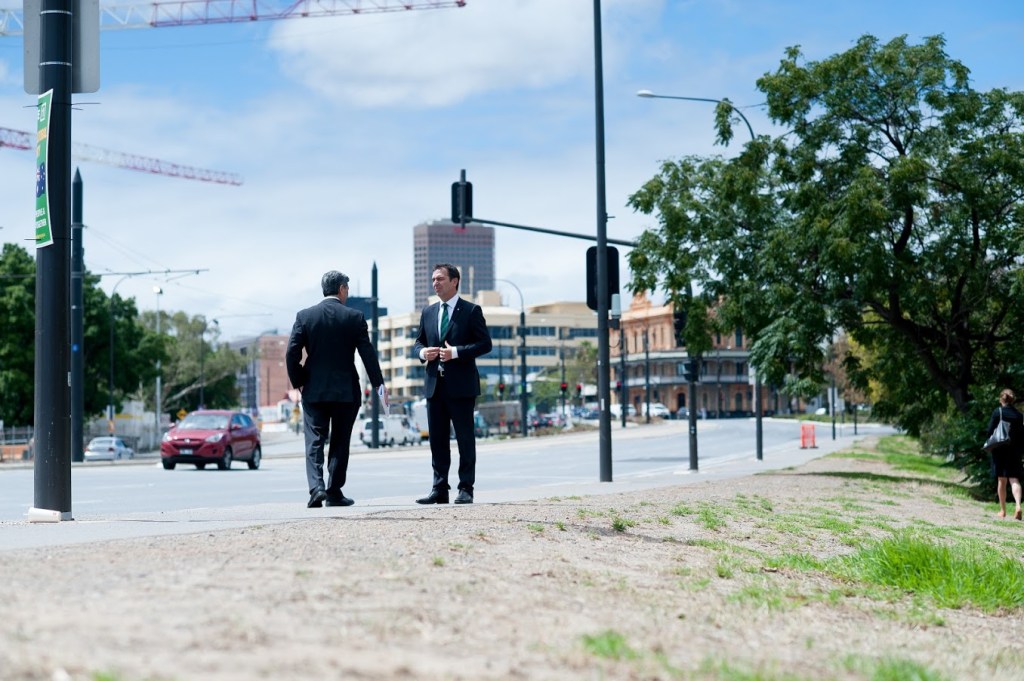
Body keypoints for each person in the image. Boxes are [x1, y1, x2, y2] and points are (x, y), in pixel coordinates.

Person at [286, 270, 386, 509]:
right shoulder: (354, 317)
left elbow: (291, 352)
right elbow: (367, 354)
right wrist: (379, 385)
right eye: (347, 290)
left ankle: (316, 488)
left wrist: (299, 380)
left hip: (314, 390)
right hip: (346, 391)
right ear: (341, 289)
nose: (347, 294)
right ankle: (334, 492)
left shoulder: (305, 316)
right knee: (341, 441)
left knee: (314, 440)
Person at [413, 263, 492, 504]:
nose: (435, 283)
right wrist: (423, 352)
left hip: (461, 387)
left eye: (440, 279)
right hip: (434, 386)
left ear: (454, 281)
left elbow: (485, 344)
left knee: (465, 439)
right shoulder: (428, 312)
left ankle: (466, 488)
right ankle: (439, 488)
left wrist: (456, 352)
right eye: (433, 279)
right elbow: (417, 343)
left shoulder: (471, 311)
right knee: (437, 440)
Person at [985, 388, 1024, 520]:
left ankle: (1003, 511)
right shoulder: (1019, 416)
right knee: (1014, 479)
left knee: (1002, 480)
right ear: (1012, 400)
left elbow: (990, 430)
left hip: (1000, 449)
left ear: (1001, 399)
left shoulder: (998, 412)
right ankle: (1018, 505)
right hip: (1015, 450)